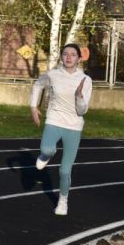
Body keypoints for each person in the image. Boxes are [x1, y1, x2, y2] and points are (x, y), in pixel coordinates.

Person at [30, 43, 92, 216]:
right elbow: (38, 85)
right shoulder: (53, 74)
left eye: (73, 54)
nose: (69, 57)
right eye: (65, 54)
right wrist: (33, 106)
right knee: (46, 149)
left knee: (65, 170)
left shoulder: (85, 80)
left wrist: (79, 97)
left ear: (79, 59)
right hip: (54, 119)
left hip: (74, 126)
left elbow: (82, 111)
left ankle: (63, 201)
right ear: (61, 57)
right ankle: (46, 155)